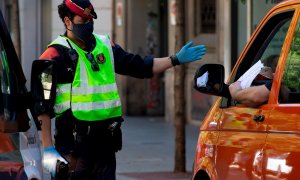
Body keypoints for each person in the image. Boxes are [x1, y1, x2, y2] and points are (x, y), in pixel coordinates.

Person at [36, 0, 206, 179]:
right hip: (73, 148)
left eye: (90, 21)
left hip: (105, 145)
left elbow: (139, 66)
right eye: (83, 21)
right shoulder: (53, 55)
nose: (88, 25)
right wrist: (47, 147)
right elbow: (41, 105)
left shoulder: (105, 46)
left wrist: (175, 59)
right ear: (67, 21)